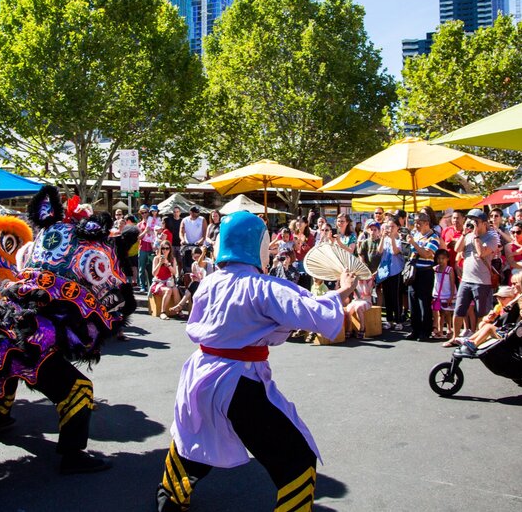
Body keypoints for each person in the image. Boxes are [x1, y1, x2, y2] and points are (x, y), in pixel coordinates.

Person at [154, 211, 368, 512]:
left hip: (199, 375)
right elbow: (312, 312)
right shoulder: (263, 287)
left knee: (195, 435)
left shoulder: (209, 282)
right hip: (237, 381)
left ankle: (169, 498)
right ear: (255, 245)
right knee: (297, 460)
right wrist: (343, 290)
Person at [452, 209, 497, 340]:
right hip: (466, 279)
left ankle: (478, 339)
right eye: (471, 220)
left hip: (482, 281)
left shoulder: (491, 237)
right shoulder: (468, 235)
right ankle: (454, 338)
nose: (472, 223)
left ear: (484, 223)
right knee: (459, 310)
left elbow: (482, 253)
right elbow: (457, 249)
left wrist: (476, 236)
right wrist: (464, 234)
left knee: (481, 313)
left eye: (476, 221)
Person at [405, 212, 441, 341]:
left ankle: (425, 331)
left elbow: (427, 254)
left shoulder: (434, 237)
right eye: (415, 222)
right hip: (414, 271)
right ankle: (415, 329)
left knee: (423, 302)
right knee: (412, 301)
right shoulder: (417, 235)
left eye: (418, 223)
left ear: (427, 223)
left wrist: (414, 244)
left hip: (425, 272)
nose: (416, 225)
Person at [377, 220, 405, 330]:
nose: (390, 228)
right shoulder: (385, 238)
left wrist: (392, 237)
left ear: (398, 227)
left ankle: (398, 320)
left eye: (392, 226)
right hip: (385, 271)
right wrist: (383, 237)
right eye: (388, 226)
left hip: (395, 270)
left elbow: (395, 251)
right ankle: (389, 319)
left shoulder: (400, 239)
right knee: (387, 296)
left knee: (396, 297)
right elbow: (379, 251)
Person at [151, 241, 181, 320]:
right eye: (163, 248)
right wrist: (160, 263)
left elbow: (174, 272)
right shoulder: (156, 258)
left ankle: (178, 309)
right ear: (160, 249)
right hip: (158, 282)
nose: (165, 250)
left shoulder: (172, 259)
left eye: (167, 248)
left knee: (175, 289)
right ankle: (162, 312)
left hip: (168, 281)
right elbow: (154, 273)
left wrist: (168, 264)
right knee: (168, 290)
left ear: (170, 249)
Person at [431, 249, 456, 340]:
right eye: (439, 258)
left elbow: (452, 283)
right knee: (439, 312)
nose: (440, 260)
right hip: (437, 294)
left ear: (447, 259)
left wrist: (451, 295)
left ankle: (449, 328)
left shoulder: (449, 270)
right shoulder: (435, 269)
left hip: (447, 294)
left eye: (443, 258)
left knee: (447, 312)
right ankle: (439, 330)